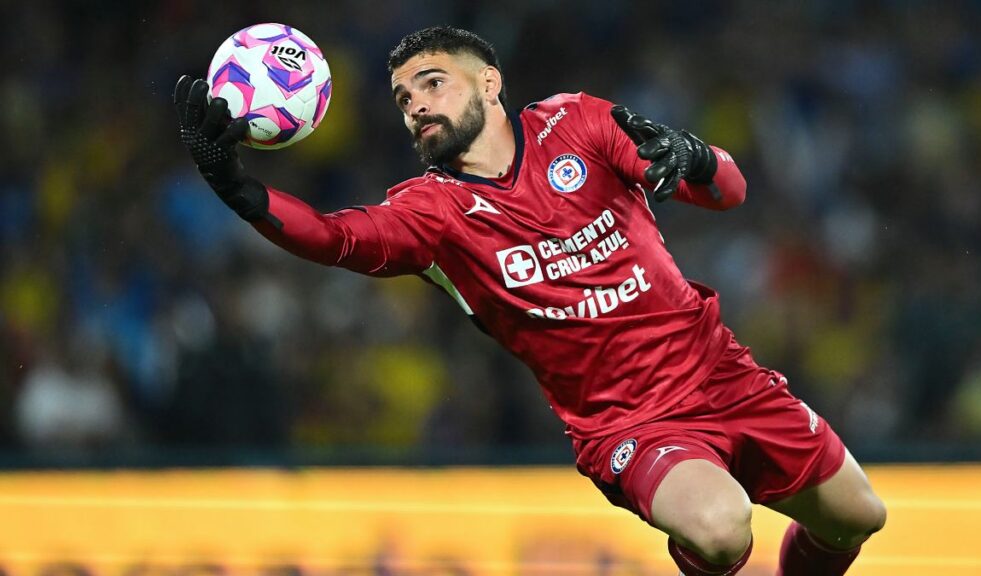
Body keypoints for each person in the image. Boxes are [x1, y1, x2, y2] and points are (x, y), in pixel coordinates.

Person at [174, 26, 886, 576]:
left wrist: (698, 157)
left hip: (723, 374)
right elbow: (333, 237)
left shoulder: (577, 123)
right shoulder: (430, 213)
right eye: (403, 98)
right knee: (722, 527)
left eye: (432, 83)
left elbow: (728, 192)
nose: (416, 105)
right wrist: (239, 191)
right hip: (628, 421)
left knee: (858, 516)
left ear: (490, 83)